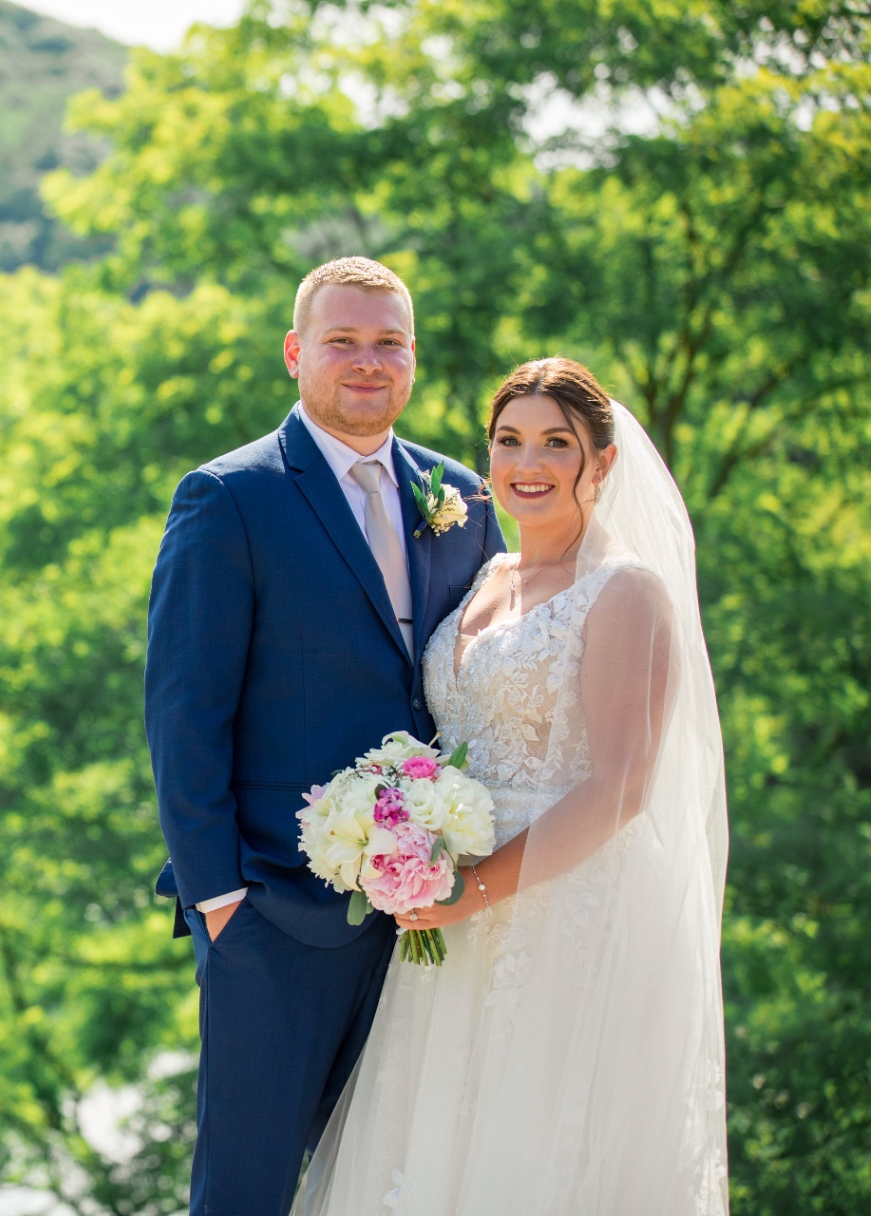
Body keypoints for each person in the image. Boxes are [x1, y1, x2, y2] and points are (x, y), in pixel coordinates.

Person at [291, 358, 730, 1214]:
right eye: (509, 440)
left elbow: (620, 786)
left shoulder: (625, 591)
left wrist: (473, 892)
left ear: (599, 464)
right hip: (453, 923)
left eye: (555, 443)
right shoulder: (486, 579)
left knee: (535, 1153)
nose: (527, 461)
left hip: (562, 912)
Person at [146, 257, 505, 1216]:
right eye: (343, 341)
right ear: (297, 353)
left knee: (399, 1185)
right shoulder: (229, 498)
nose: (367, 361)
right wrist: (221, 901)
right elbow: (185, 713)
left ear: (414, 359)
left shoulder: (462, 497)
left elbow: (486, 685)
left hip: (431, 922)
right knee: (249, 1192)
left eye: (388, 343)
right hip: (272, 916)